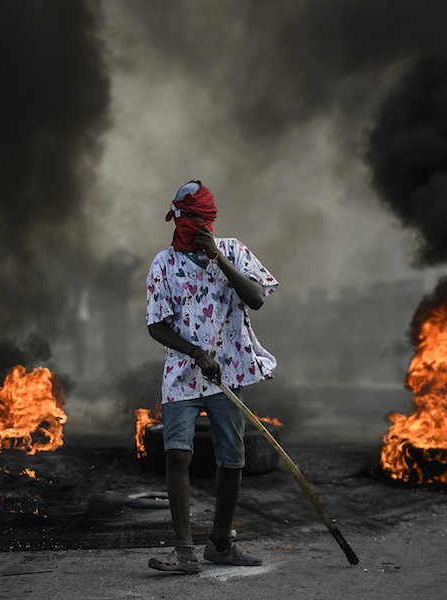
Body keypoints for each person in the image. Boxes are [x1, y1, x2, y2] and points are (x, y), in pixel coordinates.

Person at [145, 180, 278, 573]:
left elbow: (255, 297)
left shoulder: (233, 251)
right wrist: (196, 352)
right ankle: (184, 551)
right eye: (182, 218)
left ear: (209, 222)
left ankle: (220, 544)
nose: (188, 225)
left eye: (196, 220)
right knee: (177, 454)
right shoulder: (163, 264)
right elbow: (156, 325)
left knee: (232, 459)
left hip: (227, 374)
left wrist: (217, 257)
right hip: (183, 375)